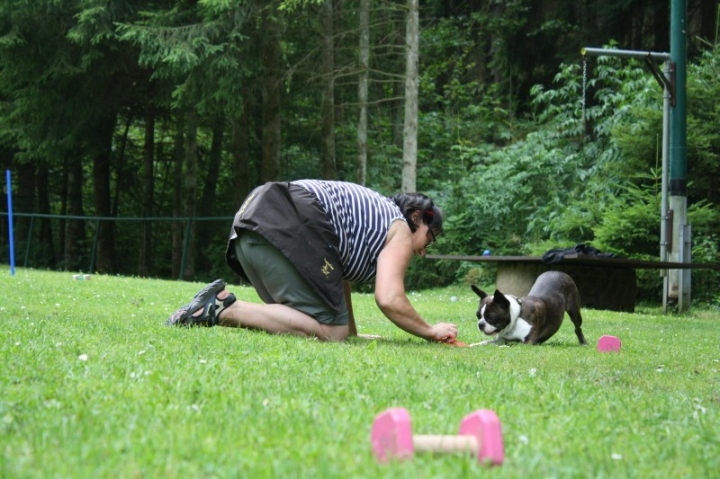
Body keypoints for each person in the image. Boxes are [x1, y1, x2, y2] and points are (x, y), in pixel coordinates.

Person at [166, 179, 458, 342]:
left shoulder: (370, 218)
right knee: (331, 332)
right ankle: (221, 307)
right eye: (428, 239)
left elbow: (335, 278)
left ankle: (217, 306)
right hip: (286, 223)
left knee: (322, 324)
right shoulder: (400, 228)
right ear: (416, 218)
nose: (423, 251)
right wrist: (430, 331)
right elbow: (390, 298)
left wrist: (352, 332)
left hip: (248, 229)